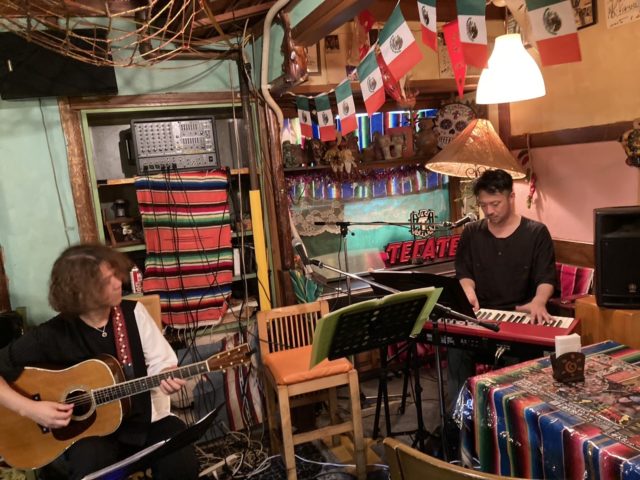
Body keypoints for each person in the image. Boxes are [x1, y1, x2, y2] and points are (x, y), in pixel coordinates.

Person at [0, 244, 199, 480]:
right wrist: (31, 409)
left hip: (144, 422)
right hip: (89, 436)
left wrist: (166, 375)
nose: (118, 282)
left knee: (181, 461)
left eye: (115, 273)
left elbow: (161, 364)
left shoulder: (133, 313)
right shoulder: (52, 334)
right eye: (107, 280)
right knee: (93, 466)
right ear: (80, 291)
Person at [448, 169, 557, 412]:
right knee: (456, 350)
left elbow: (546, 277)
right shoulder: (472, 233)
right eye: (483, 205)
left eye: (495, 204)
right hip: (482, 317)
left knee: (515, 363)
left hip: (520, 317)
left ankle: (513, 419)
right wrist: (468, 292)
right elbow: (464, 273)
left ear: (511, 197)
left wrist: (539, 301)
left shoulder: (536, 233)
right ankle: (460, 418)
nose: (488, 211)